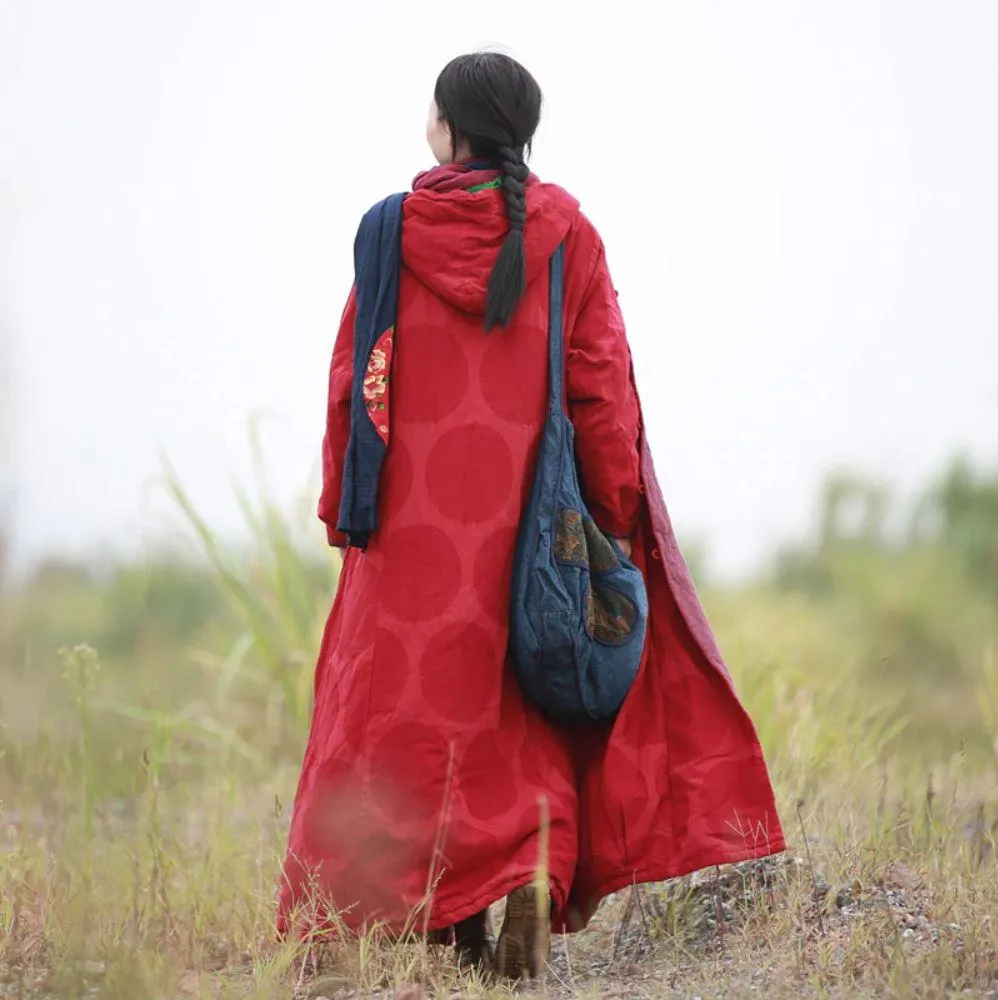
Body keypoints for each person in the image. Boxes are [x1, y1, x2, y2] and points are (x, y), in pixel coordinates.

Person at [278, 51, 785, 979]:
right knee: (518, 703)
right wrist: (613, 512)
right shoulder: (569, 234)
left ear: (445, 127)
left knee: (409, 711)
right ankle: (528, 867)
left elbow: (356, 380)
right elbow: (600, 387)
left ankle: (442, 916)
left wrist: (343, 507)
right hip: (532, 522)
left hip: (407, 524)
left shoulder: (387, 232)